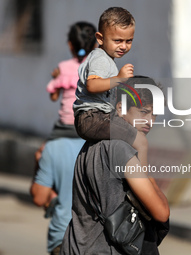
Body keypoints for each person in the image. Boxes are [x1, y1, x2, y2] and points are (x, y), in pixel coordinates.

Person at [61, 76, 170, 255]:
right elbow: (161, 212)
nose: (150, 121)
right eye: (144, 112)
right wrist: (145, 164)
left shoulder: (90, 145)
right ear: (120, 108)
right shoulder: (120, 150)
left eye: (155, 114)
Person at [73, 7, 150, 171]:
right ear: (100, 38)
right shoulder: (100, 59)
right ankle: (143, 181)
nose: (124, 46)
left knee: (131, 129)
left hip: (97, 116)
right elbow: (92, 85)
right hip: (92, 118)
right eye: (118, 40)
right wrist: (119, 79)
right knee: (140, 140)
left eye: (129, 41)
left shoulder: (107, 60)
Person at [31, 137, 85, 255]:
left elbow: (39, 198)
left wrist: (38, 164)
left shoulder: (53, 147)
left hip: (63, 236)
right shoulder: (114, 145)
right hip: (101, 241)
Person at [47, 21, 97, 140]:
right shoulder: (95, 68)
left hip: (65, 127)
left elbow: (53, 98)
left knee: (40, 154)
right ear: (95, 45)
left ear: (70, 45)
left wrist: (56, 78)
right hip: (89, 125)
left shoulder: (62, 67)